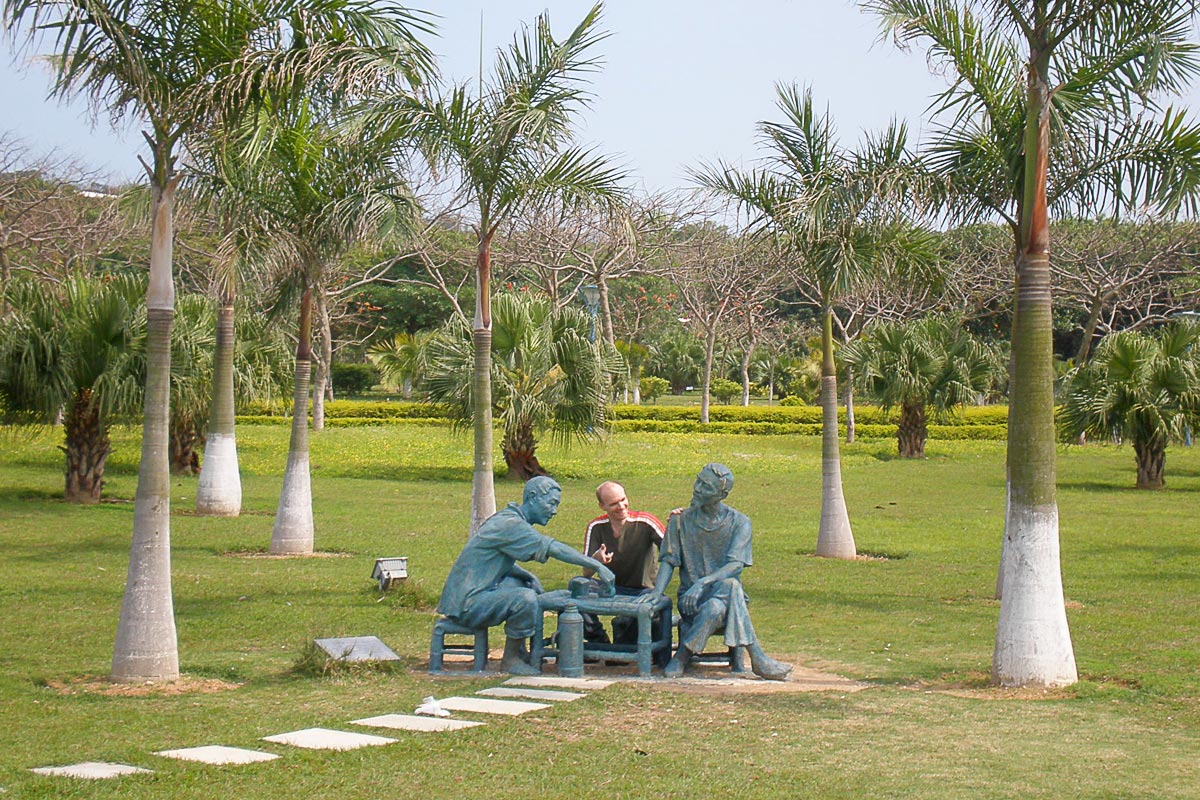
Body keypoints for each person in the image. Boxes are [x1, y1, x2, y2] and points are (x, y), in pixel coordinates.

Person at [436, 476, 615, 675]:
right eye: (552, 503)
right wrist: (596, 565)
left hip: (471, 594)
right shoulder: (511, 525)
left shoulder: (508, 518)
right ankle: (511, 659)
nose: (554, 511)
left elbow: (495, 559)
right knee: (525, 599)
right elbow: (553, 548)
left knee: (524, 585)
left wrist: (527, 575)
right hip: (467, 604)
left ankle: (521, 651)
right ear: (532, 497)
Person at [641, 463, 792, 681]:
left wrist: (702, 582)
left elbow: (736, 565)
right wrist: (657, 592)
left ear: (723, 494)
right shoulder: (679, 521)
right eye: (698, 481)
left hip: (720, 598)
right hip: (692, 601)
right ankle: (757, 657)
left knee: (720, 599)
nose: (698, 489)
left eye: (706, 487)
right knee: (731, 588)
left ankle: (681, 657)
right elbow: (668, 561)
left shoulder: (740, 523)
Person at [579, 481, 665, 644]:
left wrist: (677, 521)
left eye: (623, 500)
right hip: (611, 588)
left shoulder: (645, 522)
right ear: (602, 506)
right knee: (578, 586)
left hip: (643, 590)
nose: (621, 506)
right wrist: (596, 561)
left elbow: (672, 550)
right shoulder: (596, 527)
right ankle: (598, 639)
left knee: (627, 623)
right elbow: (586, 573)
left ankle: (621, 649)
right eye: (614, 504)